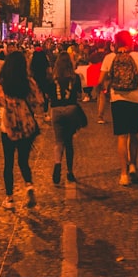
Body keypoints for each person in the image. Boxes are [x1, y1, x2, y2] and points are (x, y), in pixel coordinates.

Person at [0, 50, 44, 208]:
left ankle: (9, 198)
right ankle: (29, 185)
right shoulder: (29, 83)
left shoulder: (2, 84)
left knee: (8, 163)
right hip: (26, 125)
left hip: (8, 126)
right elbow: (39, 103)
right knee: (23, 160)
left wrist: (6, 104)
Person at [101, 30, 138, 186]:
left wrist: (105, 89)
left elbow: (99, 80)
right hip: (136, 99)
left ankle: (123, 174)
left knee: (122, 137)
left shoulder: (110, 58)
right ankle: (133, 166)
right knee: (134, 134)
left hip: (118, 99)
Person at [49, 52, 84, 184]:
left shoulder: (52, 78)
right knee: (69, 142)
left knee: (58, 141)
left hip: (56, 110)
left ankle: (57, 164)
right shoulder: (75, 77)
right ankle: (69, 171)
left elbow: (49, 96)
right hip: (71, 110)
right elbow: (80, 95)